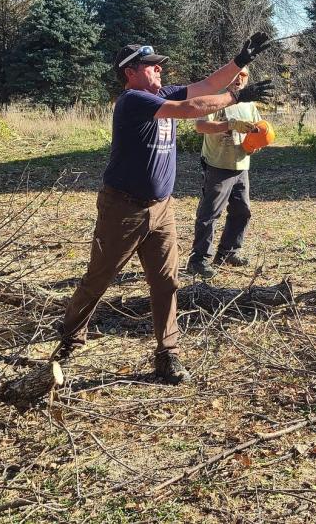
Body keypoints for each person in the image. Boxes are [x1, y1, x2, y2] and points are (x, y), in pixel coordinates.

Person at [52, 35, 275, 384]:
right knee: (98, 278)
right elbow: (190, 110)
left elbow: (205, 86)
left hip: (161, 209)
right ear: (130, 73)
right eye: (150, 65)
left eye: (159, 63)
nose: (159, 68)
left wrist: (239, 61)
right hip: (123, 209)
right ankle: (67, 344)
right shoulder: (133, 101)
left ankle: (167, 354)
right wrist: (236, 96)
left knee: (166, 282)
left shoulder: (161, 92)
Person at [186, 67, 262, 278]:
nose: (239, 79)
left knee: (242, 211)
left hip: (241, 165)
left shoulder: (249, 103)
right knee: (210, 214)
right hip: (218, 164)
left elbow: (257, 129)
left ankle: (229, 252)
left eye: (244, 76)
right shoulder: (216, 100)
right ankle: (198, 260)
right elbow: (201, 126)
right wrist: (229, 125)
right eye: (236, 75)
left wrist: (256, 143)